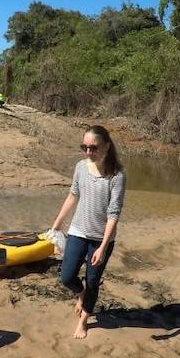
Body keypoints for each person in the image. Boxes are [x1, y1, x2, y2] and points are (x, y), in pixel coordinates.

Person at [50, 125, 125, 339]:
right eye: (85, 147)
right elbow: (73, 195)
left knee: (92, 281)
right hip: (77, 231)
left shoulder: (117, 177)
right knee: (66, 276)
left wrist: (102, 247)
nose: (89, 152)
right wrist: (57, 224)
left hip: (101, 239)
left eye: (94, 148)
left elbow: (114, 213)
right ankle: (80, 294)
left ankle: (83, 321)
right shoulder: (81, 167)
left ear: (107, 147)